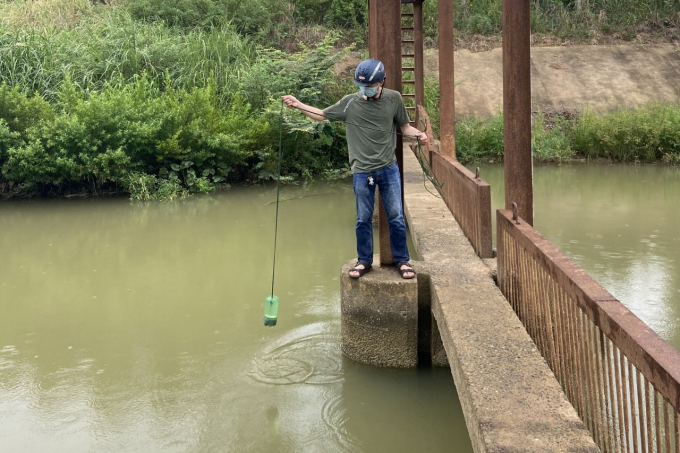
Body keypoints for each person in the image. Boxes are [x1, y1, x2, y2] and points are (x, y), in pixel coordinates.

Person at [282, 58, 427, 280]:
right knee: (363, 219)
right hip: (362, 171)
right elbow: (321, 115)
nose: (365, 91)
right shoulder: (350, 102)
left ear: (381, 83)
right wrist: (298, 104)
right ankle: (364, 261)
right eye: (361, 87)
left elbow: (404, 127)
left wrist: (420, 135)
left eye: (369, 87)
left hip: (388, 169)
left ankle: (402, 261)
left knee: (396, 217)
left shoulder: (394, 99)